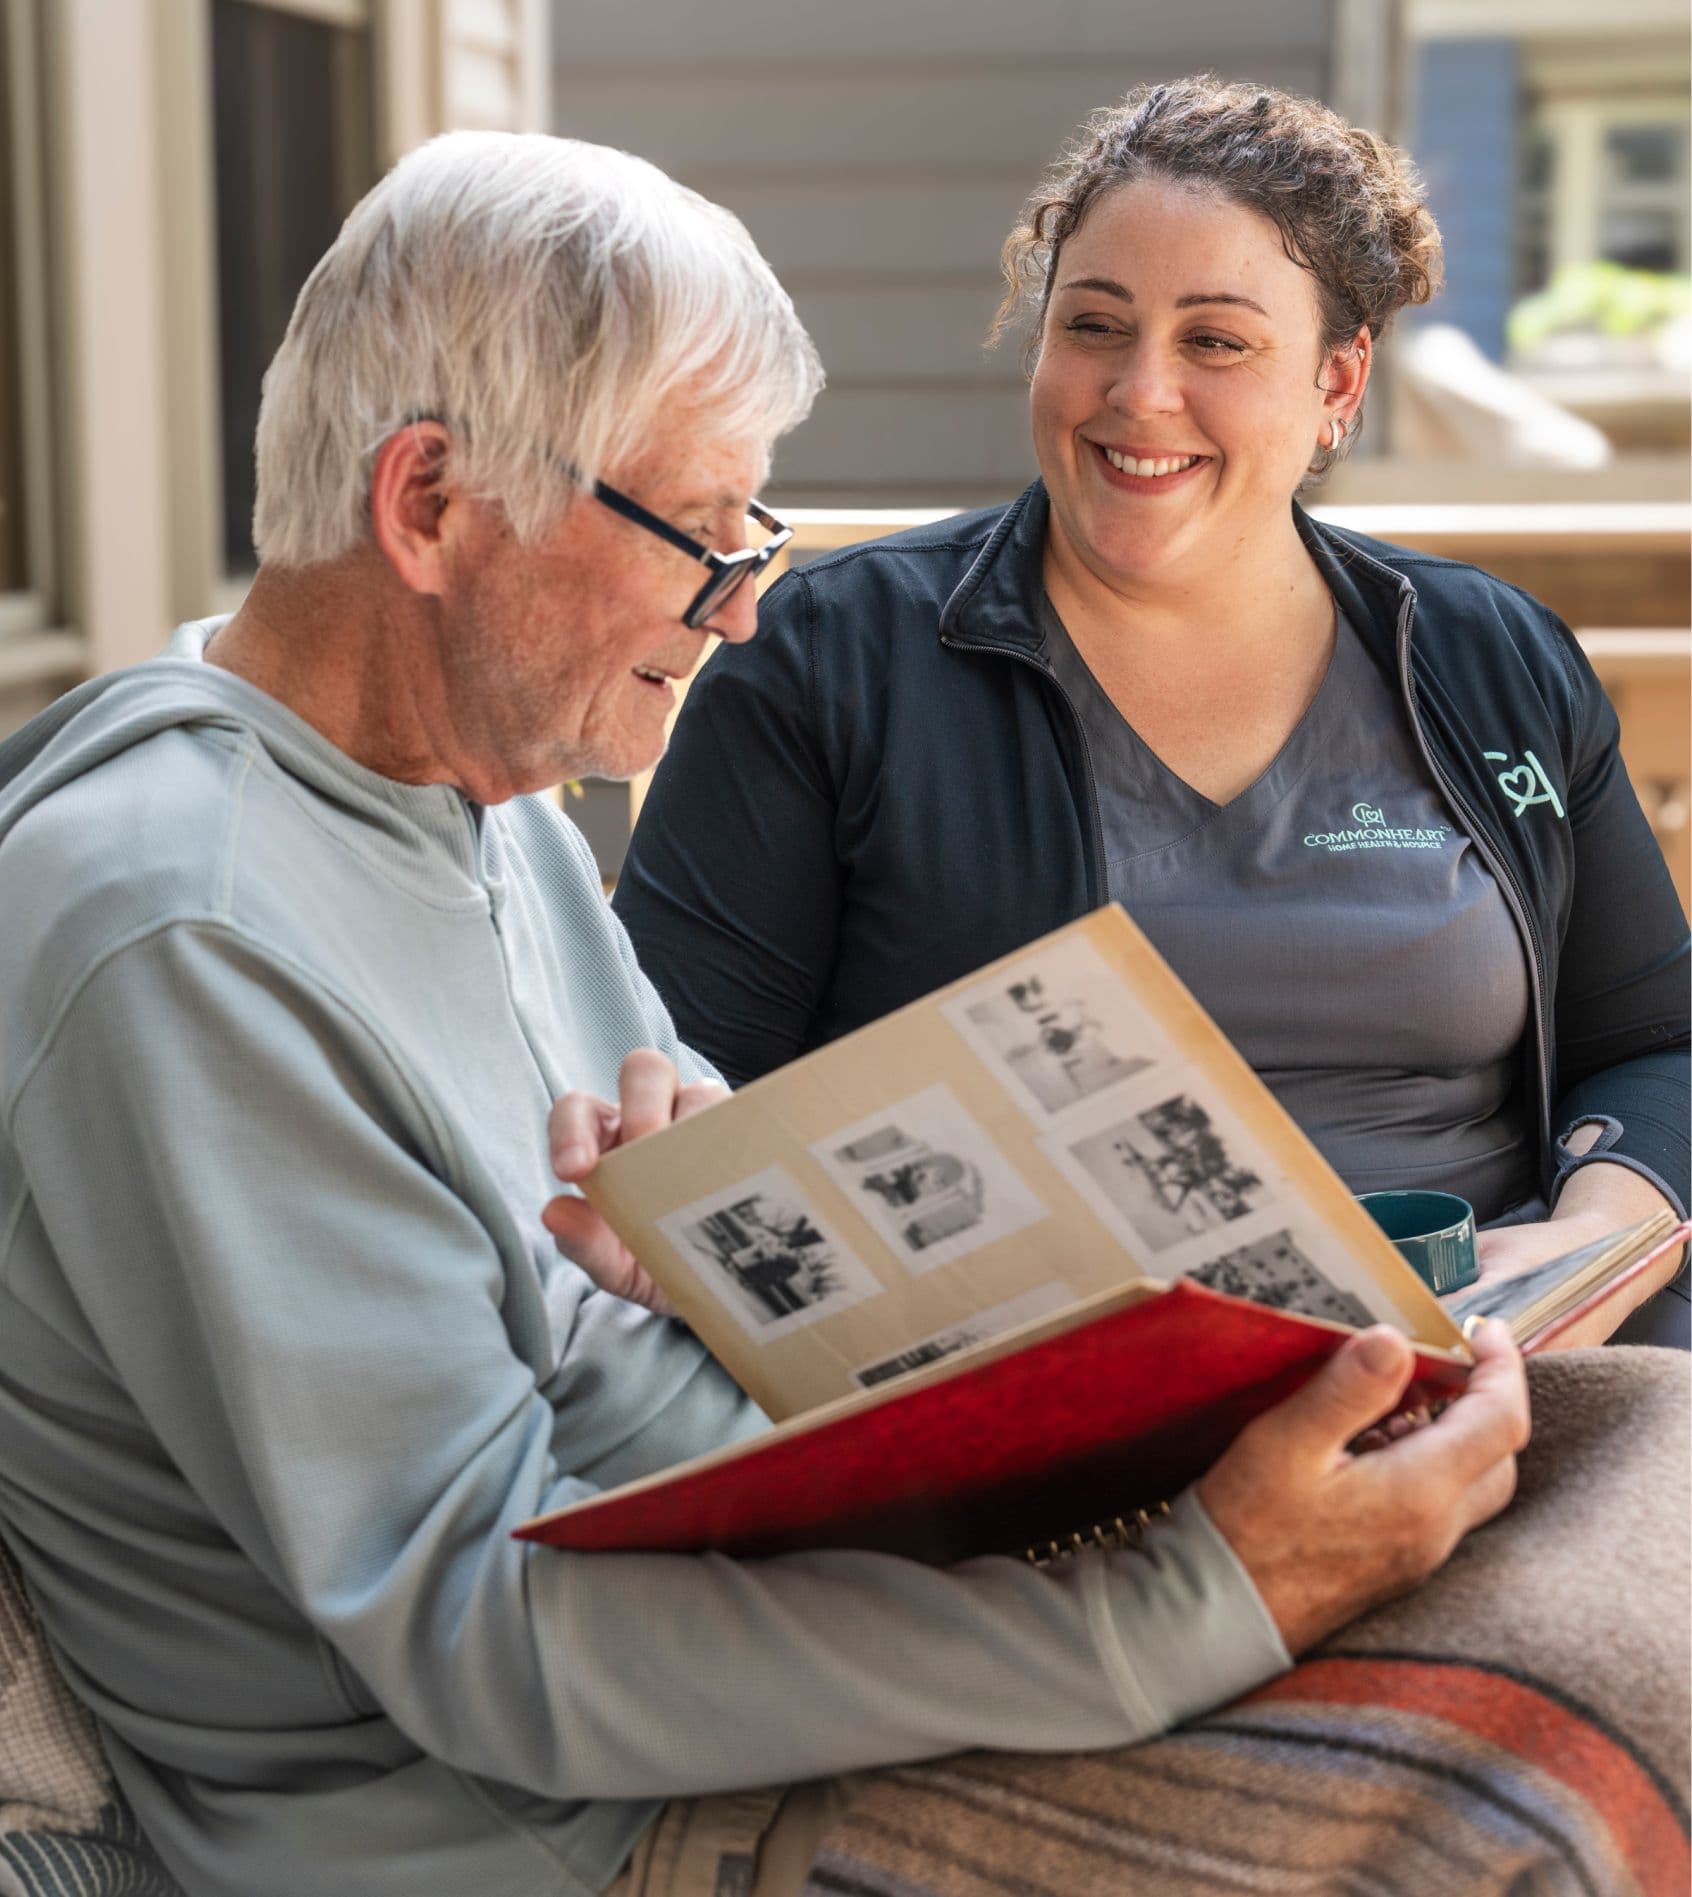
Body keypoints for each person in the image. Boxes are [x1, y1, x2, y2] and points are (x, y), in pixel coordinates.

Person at [0, 125, 1614, 1897]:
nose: (750, 597)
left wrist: (712, 1222)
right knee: (1512, 1808)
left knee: (1628, 1486)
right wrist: (1186, 1600)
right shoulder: (188, 928)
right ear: (431, 506)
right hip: (556, 1823)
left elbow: (608, 1314)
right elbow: (479, 1634)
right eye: (696, 528)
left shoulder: (475, 786)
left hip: (768, 1598)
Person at [612, 76, 1691, 1345]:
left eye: (1216, 342)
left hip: (1503, 1368)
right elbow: (691, 1082)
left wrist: (1592, 1239)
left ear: (1338, 382)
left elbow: (1654, 1037)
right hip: (1045, 1406)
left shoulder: (1487, 656)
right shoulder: (832, 659)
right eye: (1095, 326)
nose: (1138, 391)